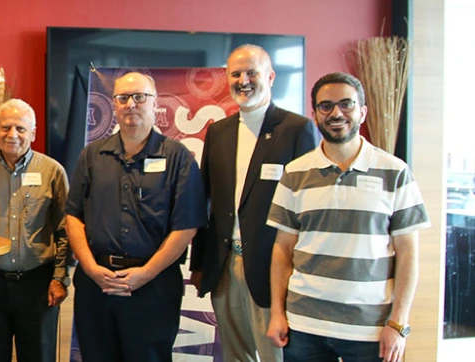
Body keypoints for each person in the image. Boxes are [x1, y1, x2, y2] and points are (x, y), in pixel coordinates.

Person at [266, 72, 430, 362]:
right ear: (315, 114)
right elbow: (282, 249)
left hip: (370, 329)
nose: (336, 113)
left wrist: (399, 323)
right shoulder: (294, 173)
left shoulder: (395, 172)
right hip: (304, 324)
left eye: (346, 104)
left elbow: (408, 254)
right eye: (326, 106)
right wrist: (278, 313)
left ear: (362, 111)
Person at [190, 45, 320, 362]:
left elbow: (310, 206)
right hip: (225, 266)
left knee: (276, 355)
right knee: (236, 355)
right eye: (236, 74)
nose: (243, 80)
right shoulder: (218, 132)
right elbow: (204, 202)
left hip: (275, 269)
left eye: (252, 72)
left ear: (271, 77)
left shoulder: (296, 129)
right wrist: (199, 264)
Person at [65, 71, 206, 362]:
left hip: (153, 289)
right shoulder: (91, 155)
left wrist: (146, 274)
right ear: (114, 105)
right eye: (123, 97)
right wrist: (91, 269)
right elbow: (73, 216)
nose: (131, 104)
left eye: (140, 97)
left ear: (155, 104)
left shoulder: (179, 158)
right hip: (96, 286)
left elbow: (186, 227)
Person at [0, 99, 71, 362]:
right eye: (6, 127)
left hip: (39, 286)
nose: (12, 135)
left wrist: (60, 278)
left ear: (33, 133)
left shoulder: (53, 172)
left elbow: (65, 230)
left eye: (20, 128)